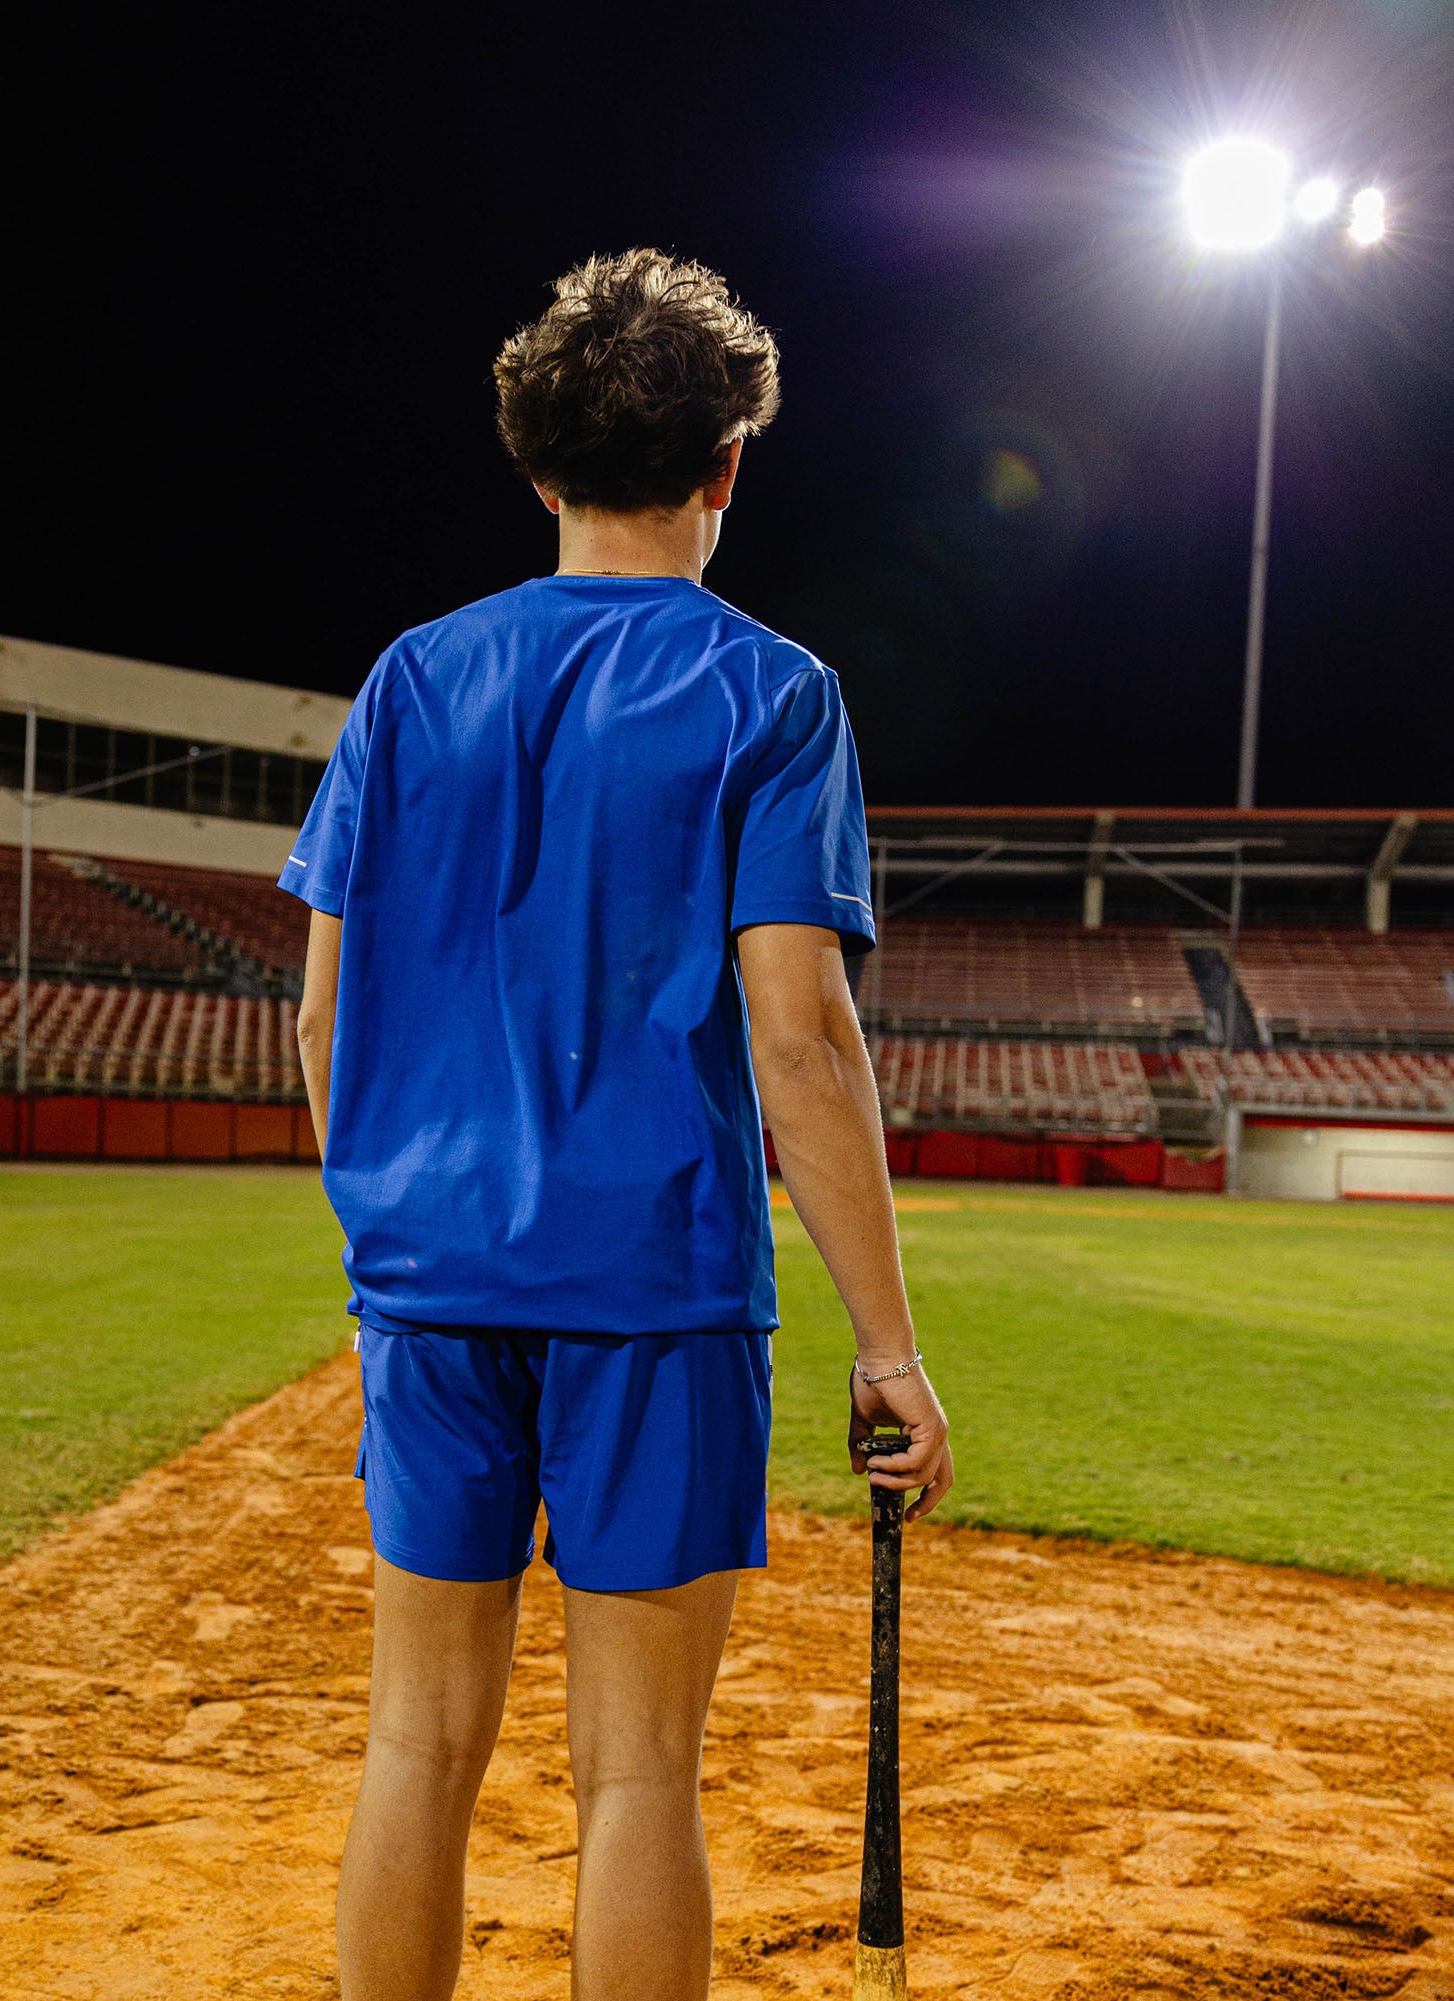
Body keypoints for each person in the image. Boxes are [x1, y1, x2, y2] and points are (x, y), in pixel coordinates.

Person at [281, 247, 952, 2001]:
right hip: (655, 1283)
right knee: (637, 1771)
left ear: (534, 465)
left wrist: (396, 1222)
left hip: (429, 1279)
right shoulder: (771, 691)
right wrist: (887, 1346)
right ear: (727, 465)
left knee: (415, 1745)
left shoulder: (411, 678)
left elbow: (322, 1013)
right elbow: (798, 1035)